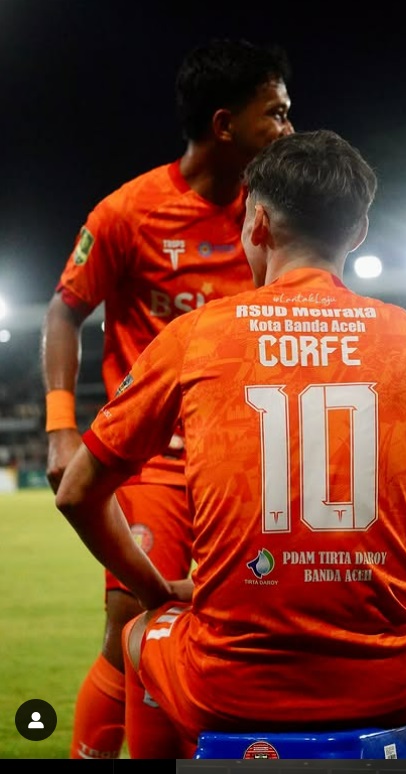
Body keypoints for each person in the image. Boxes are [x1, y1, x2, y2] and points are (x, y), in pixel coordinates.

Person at [54, 129, 406, 759]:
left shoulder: (195, 337)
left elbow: (76, 492)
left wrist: (156, 590)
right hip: (390, 679)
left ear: (258, 223)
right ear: (358, 232)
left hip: (227, 686)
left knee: (138, 633)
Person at [41, 38, 293, 760]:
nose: (288, 127)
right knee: (131, 627)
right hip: (151, 463)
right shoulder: (127, 213)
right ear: (224, 125)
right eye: (274, 113)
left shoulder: (272, 216)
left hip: (244, 467)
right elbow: (64, 311)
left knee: (233, 634)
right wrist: (61, 427)